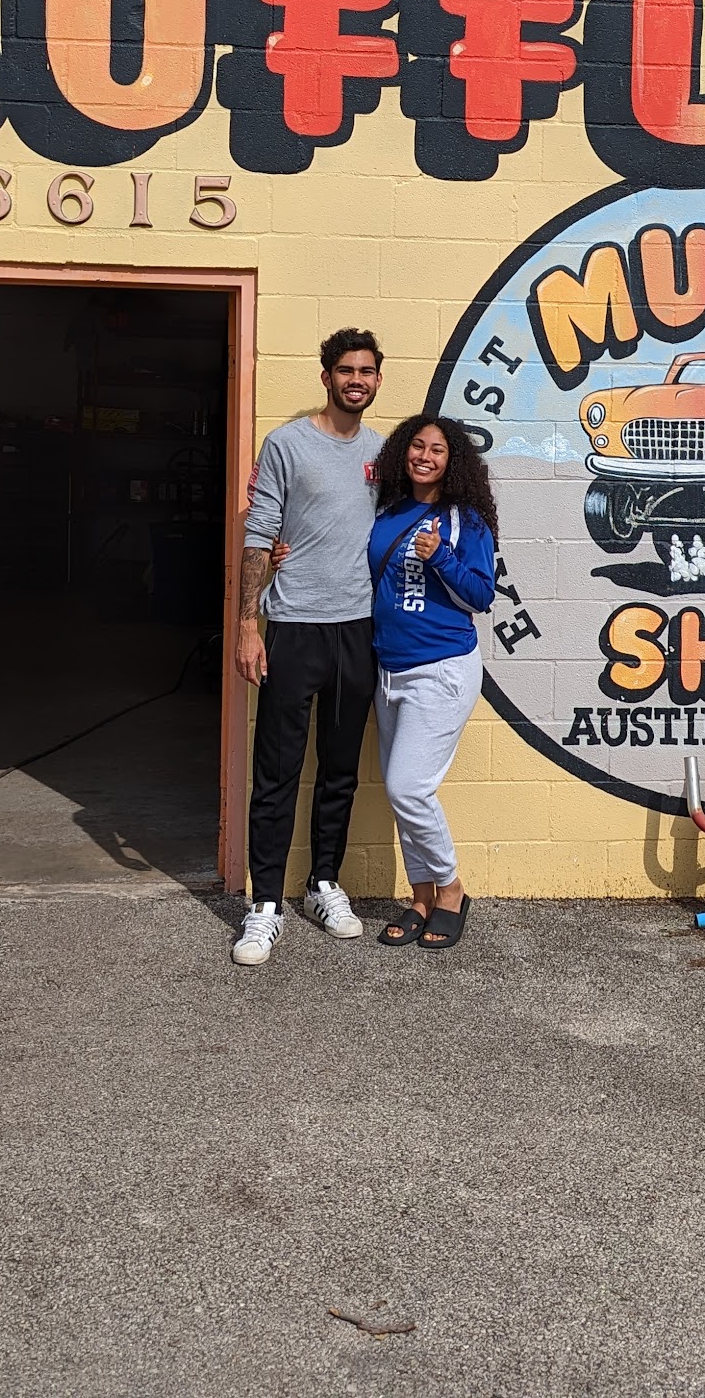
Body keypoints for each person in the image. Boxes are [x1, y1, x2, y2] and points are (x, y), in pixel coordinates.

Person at [231, 328, 384, 967]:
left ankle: (324, 885)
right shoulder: (287, 444)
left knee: (340, 769)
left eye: (366, 372)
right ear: (326, 377)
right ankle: (265, 904)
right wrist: (248, 625)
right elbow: (259, 532)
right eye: (346, 370)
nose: (356, 381)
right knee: (277, 771)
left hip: (360, 629)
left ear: (378, 380)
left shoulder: (384, 452)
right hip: (294, 627)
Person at [368, 415, 497, 950]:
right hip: (388, 671)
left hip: (440, 670)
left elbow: (481, 596)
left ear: (452, 460)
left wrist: (439, 556)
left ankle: (451, 888)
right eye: (417, 446)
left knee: (408, 787)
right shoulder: (388, 511)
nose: (424, 456)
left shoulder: (466, 520)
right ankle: (421, 897)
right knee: (403, 795)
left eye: (437, 449)